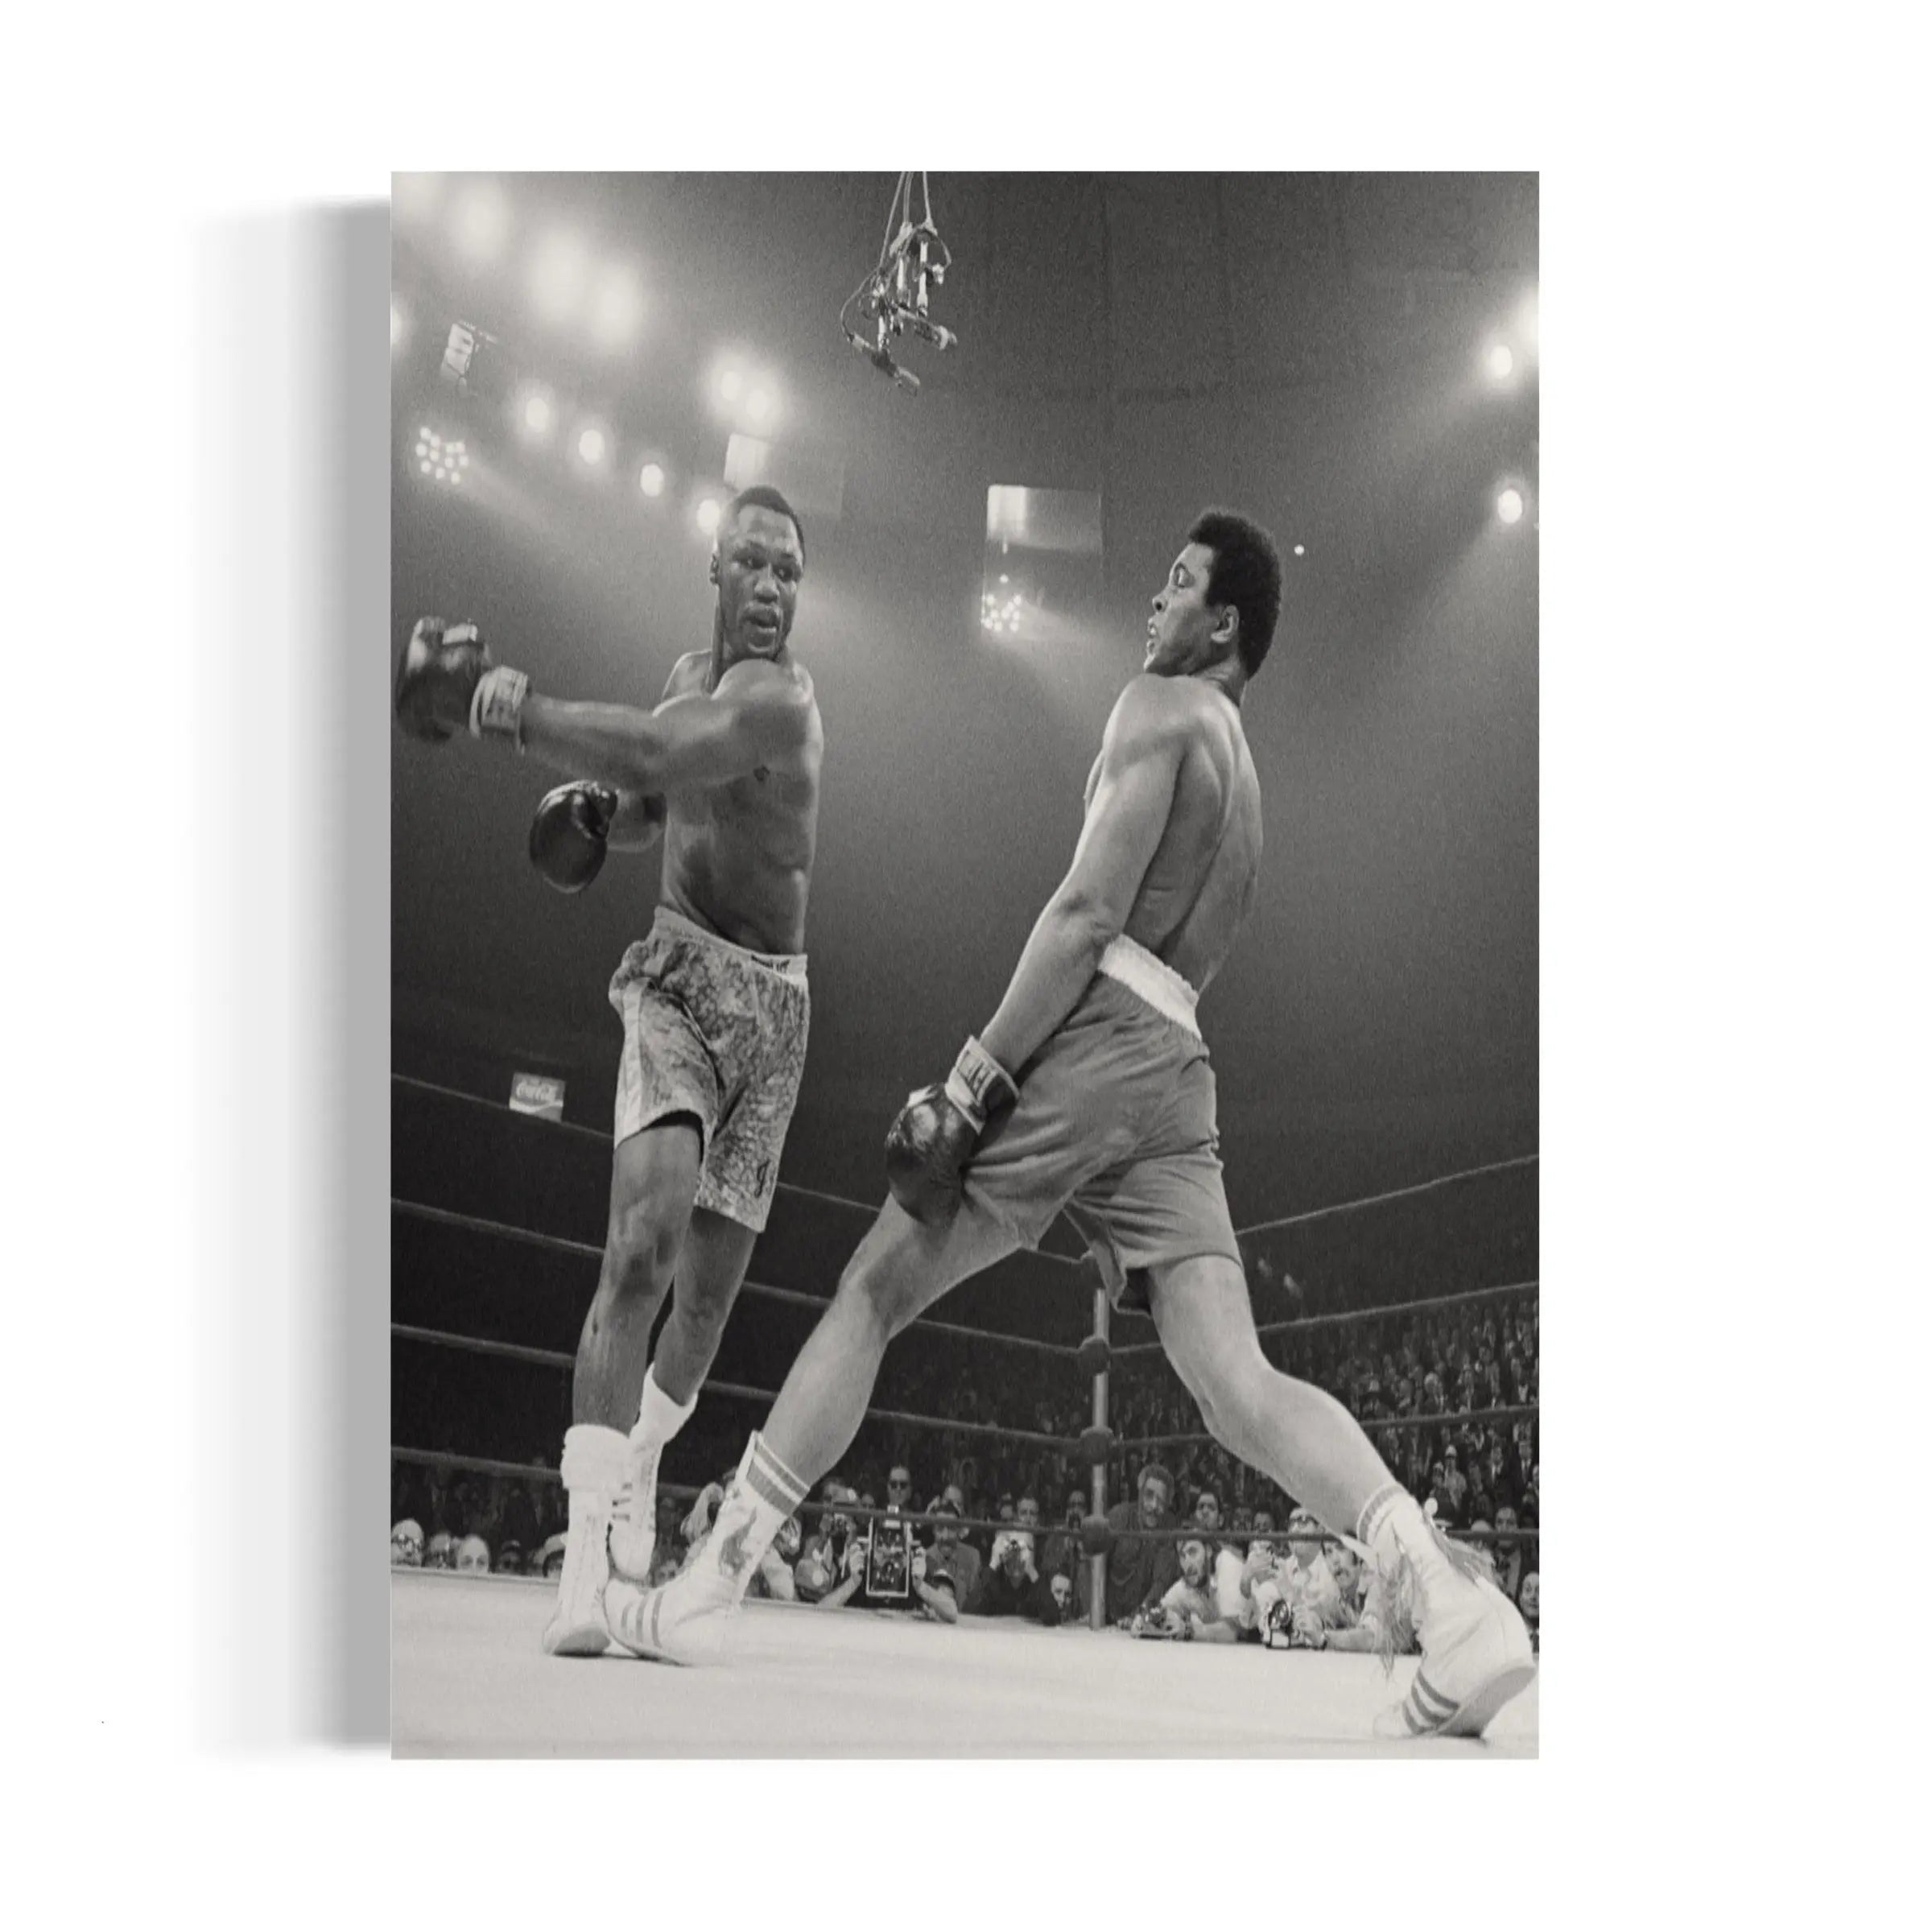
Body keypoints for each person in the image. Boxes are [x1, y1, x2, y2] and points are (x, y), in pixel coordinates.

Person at [607, 509, 1534, 1738]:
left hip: (1095, 1041)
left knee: (875, 1287)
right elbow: (1169, 949)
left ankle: (713, 1582)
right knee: (1238, 1384)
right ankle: (1463, 1613)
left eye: (1179, 583)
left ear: (1225, 625)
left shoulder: (1154, 710)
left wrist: (978, 1076)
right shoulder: (1247, 777)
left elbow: (1088, 912)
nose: (1155, 604)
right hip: (1178, 1060)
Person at [393, 486, 824, 1657]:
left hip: (774, 1014)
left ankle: (639, 1463)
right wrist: (597, 808)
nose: (774, 589)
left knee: (705, 1308)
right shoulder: (691, 672)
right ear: (718, 573)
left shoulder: (780, 703)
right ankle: (581, 1568)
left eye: (790, 570)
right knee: (639, 1249)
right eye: (753, 564)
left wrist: (513, 706)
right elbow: (647, 794)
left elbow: (658, 747)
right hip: (679, 979)